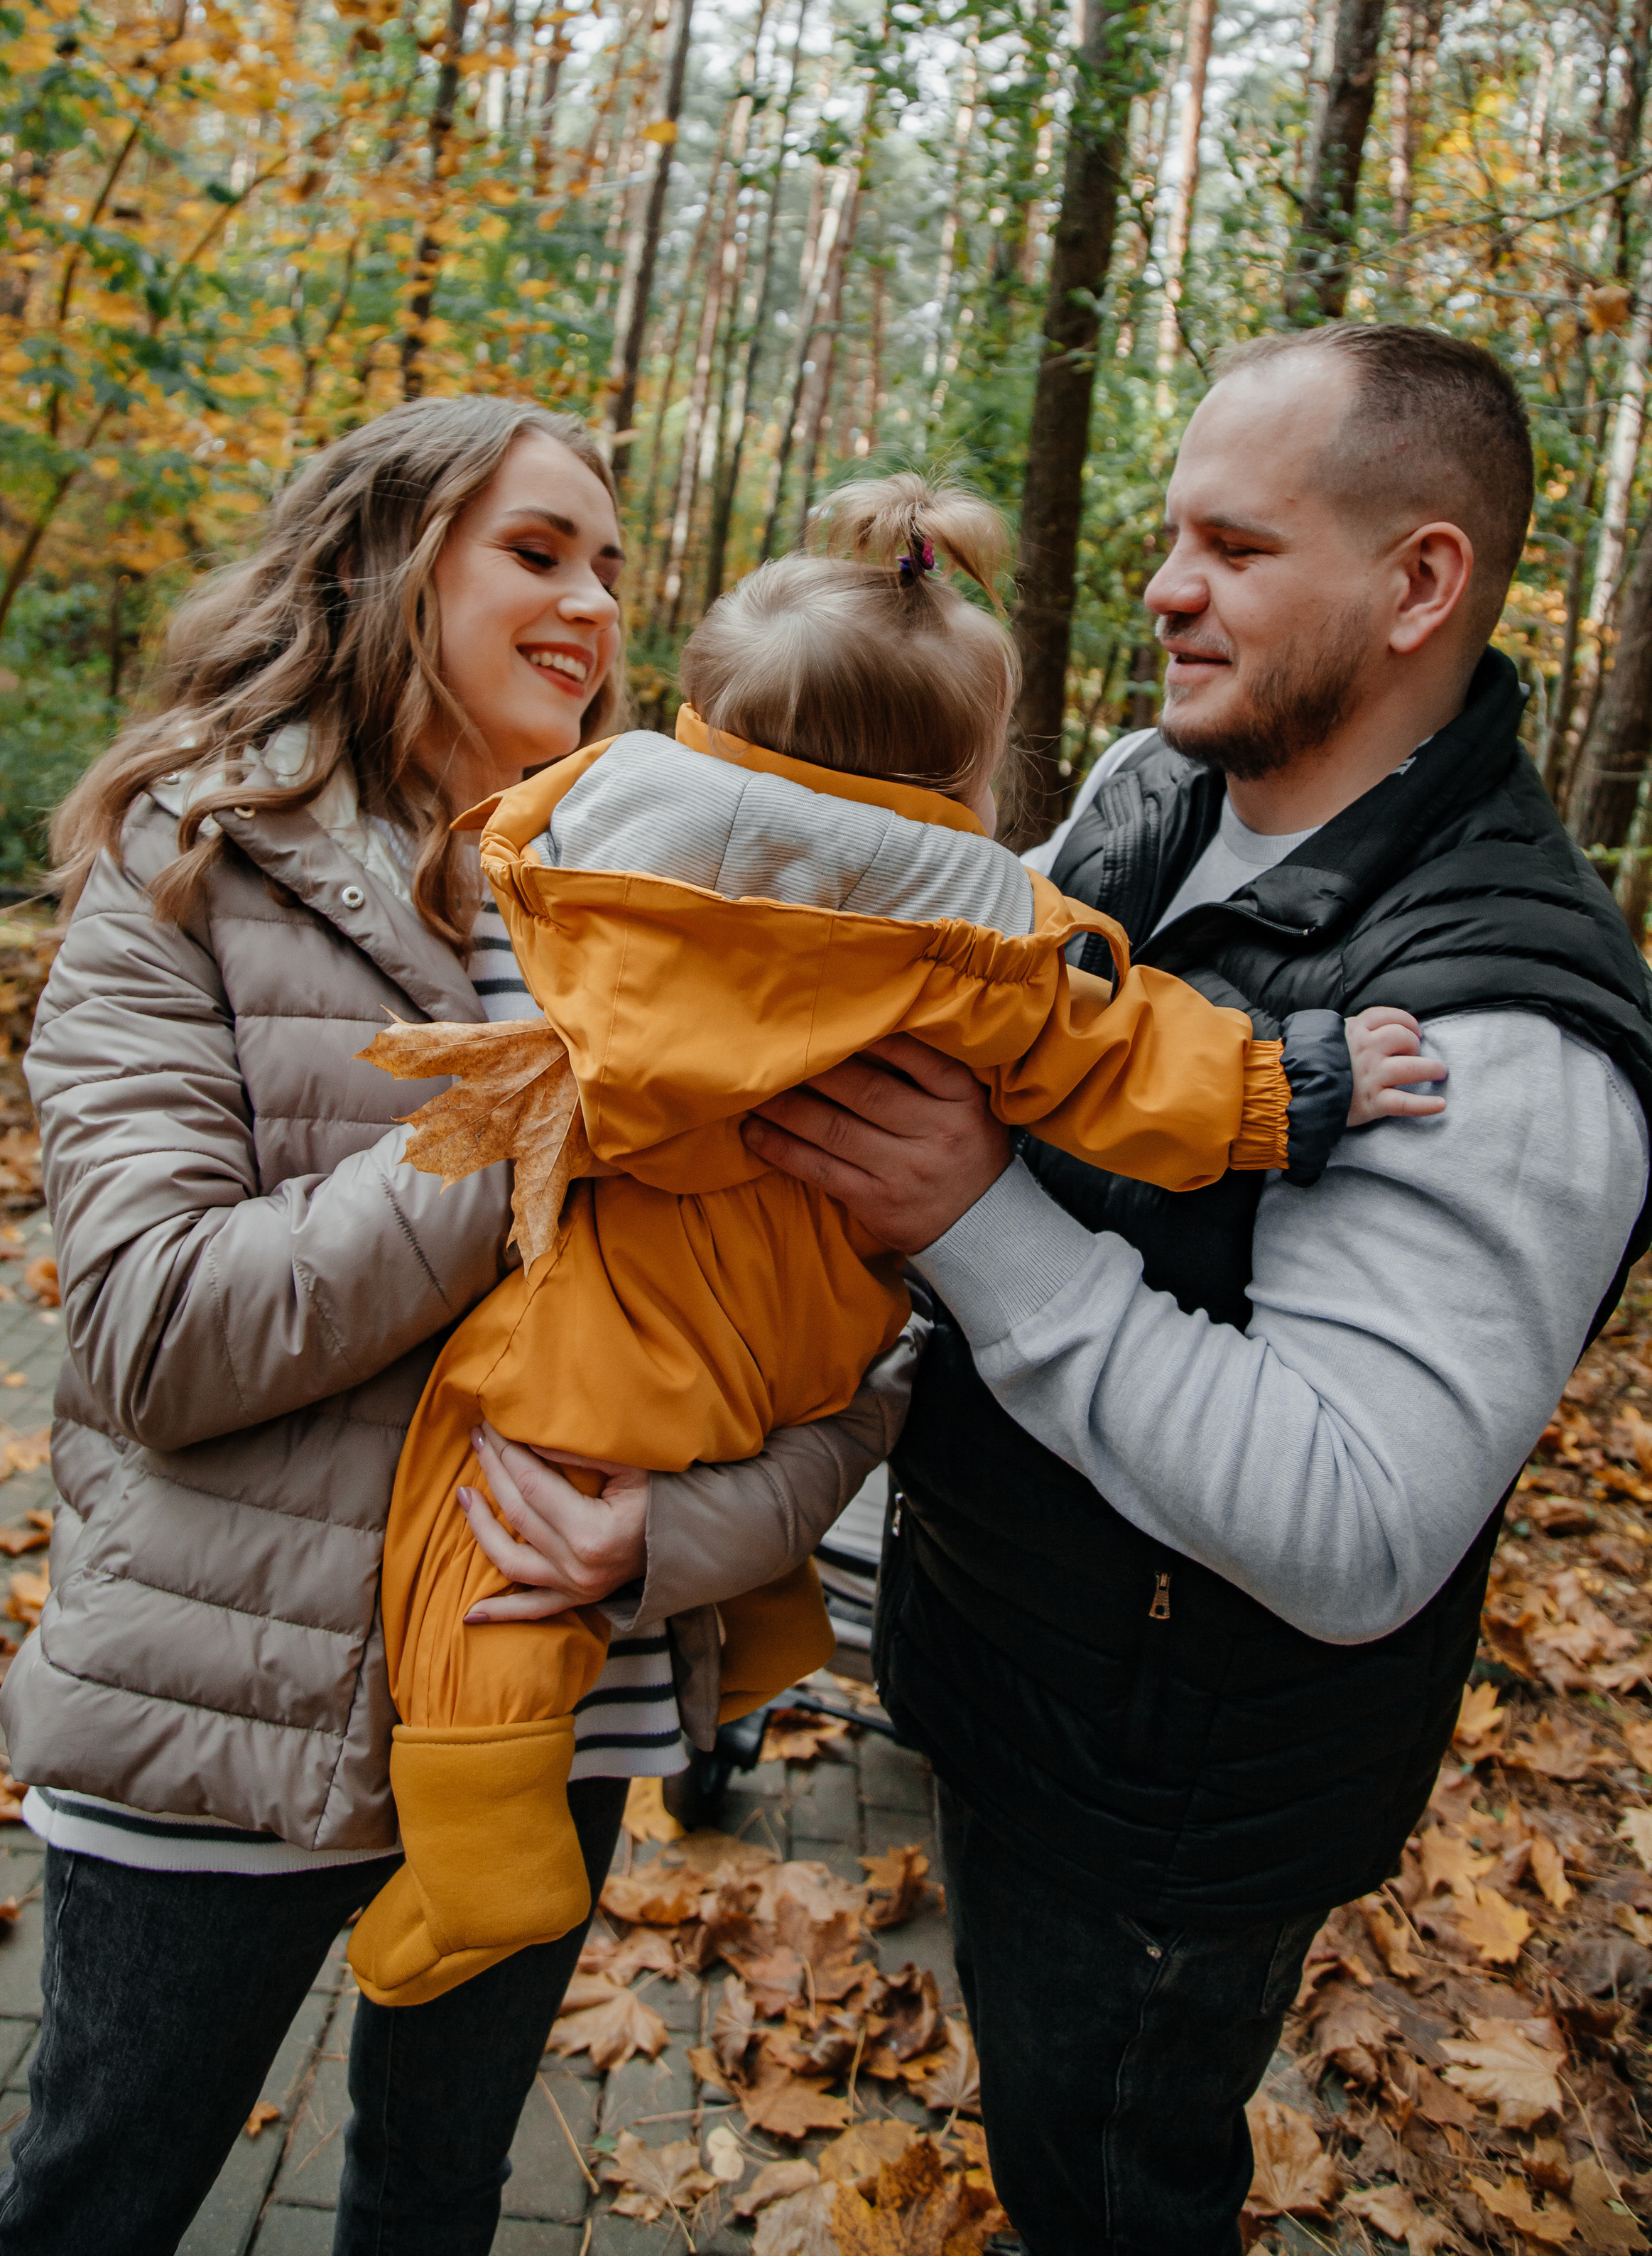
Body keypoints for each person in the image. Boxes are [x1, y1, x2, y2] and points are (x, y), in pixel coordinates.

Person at [736, 324, 1652, 2254]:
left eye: (1233, 547)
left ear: (1420, 584)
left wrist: (974, 1218)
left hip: (1171, 1812)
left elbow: (1353, 1532)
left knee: (1110, 2183)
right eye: (1173, 536)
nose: (1166, 589)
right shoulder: (1158, 789)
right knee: (1034, 2122)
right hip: (1003, 1682)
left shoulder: (1505, 1029)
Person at [0, 397, 906, 2256]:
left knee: (434, 2205)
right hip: (227, 1716)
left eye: (613, 568)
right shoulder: (196, 861)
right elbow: (154, 1336)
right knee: (97, 2199)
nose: (593, 606)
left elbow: (846, 1332)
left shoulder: (682, 888)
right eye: (539, 551)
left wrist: (676, 1541)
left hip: (563, 1709)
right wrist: (546, 1108)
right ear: (388, 561)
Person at [349, 471, 1432, 2007]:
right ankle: (746, 1636)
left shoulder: (601, 859)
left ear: (704, 722)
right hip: (831, 1313)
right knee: (637, 1463)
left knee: (476, 1491)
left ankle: (480, 1829)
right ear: (968, 773)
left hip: (629, 1302)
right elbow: (1121, 1059)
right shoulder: (971, 938)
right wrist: (1291, 1083)